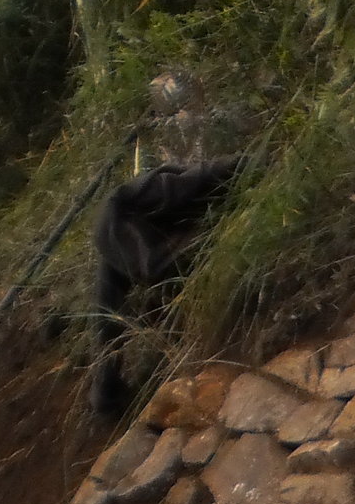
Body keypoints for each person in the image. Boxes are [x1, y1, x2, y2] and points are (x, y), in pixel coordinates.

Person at [89, 152, 245, 418]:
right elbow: (107, 324)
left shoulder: (168, 192)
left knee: (119, 299)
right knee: (142, 278)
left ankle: (105, 393)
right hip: (130, 223)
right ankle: (106, 394)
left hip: (136, 220)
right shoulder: (116, 259)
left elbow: (212, 170)